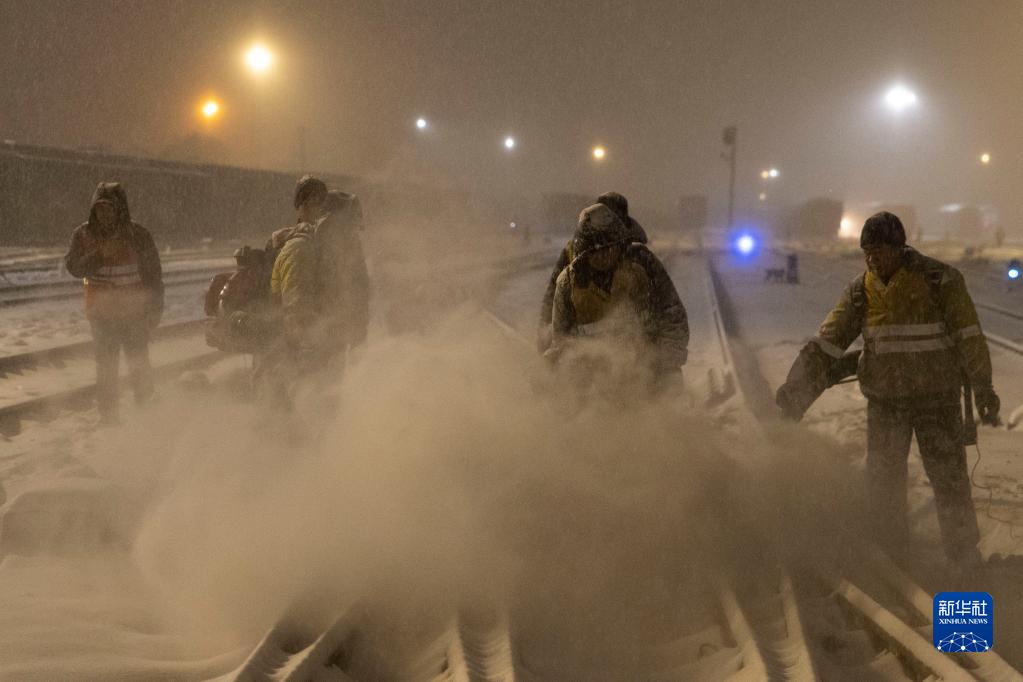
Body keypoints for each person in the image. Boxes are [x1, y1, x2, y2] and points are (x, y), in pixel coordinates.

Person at [775, 211, 1000, 570]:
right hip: (885, 403)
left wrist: (983, 388)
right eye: (866, 252)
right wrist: (794, 390)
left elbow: (970, 339)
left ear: (899, 249)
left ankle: (963, 557)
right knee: (883, 483)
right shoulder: (861, 292)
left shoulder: (940, 281)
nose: (871, 259)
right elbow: (826, 344)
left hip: (937, 400)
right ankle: (892, 556)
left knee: (949, 479)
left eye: (878, 251)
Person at [544, 203, 688, 392]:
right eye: (596, 251)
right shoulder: (569, 283)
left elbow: (672, 314)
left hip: (647, 369)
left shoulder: (642, 267)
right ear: (583, 253)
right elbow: (562, 339)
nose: (604, 255)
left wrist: (667, 364)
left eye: (609, 248)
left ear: (620, 245)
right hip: (594, 379)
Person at [259, 176, 369, 409]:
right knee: (308, 395)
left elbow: (356, 291)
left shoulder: (325, 247)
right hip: (308, 337)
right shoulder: (301, 246)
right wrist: (305, 336)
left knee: (321, 393)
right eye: (310, 200)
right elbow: (296, 299)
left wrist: (353, 331)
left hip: (322, 335)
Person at [64, 182, 164, 425]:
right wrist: (100, 256)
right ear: (93, 209)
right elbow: (73, 267)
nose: (104, 214)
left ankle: (146, 411)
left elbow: (153, 276)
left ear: (120, 209)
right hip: (101, 315)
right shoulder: (83, 234)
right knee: (107, 368)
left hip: (135, 314)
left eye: (109, 208)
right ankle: (109, 417)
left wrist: (155, 308)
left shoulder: (138, 235)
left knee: (138, 363)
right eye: (100, 209)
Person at [537, 191, 648, 352]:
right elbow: (553, 294)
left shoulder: (636, 255)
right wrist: (545, 333)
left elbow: (650, 308)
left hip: (625, 342)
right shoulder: (573, 252)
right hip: (584, 340)